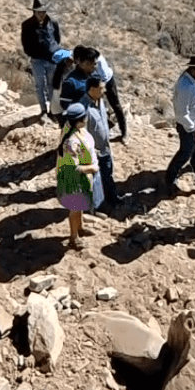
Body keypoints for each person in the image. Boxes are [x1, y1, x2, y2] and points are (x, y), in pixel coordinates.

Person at [163, 55, 195, 194]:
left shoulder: (192, 80)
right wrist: (192, 129)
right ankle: (170, 181)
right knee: (185, 154)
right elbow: (181, 114)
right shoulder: (185, 86)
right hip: (189, 127)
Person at [56, 103, 100, 250]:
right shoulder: (71, 141)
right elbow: (73, 167)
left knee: (79, 206)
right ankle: (73, 238)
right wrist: (92, 167)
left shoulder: (72, 128)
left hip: (81, 179)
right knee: (74, 209)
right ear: (80, 120)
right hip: (73, 180)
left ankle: (80, 228)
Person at [20, 0, 62, 118]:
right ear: (34, 12)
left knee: (51, 85)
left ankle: (53, 111)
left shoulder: (52, 22)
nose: (42, 14)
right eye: (39, 12)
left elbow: (57, 39)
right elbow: (25, 42)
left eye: (44, 12)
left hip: (51, 59)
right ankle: (43, 110)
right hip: (37, 59)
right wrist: (31, 53)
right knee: (39, 85)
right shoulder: (27, 25)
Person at [81, 76, 118, 208]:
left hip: (105, 148)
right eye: (101, 88)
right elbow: (81, 133)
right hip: (94, 153)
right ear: (92, 89)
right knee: (96, 181)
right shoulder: (84, 108)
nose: (105, 90)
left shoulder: (100, 101)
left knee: (108, 174)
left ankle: (113, 199)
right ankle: (98, 207)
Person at [90, 47, 128, 141]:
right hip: (94, 82)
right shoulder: (86, 59)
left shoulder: (100, 62)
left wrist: (98, 91)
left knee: (116, 105)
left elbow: (104, 78)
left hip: (107, 83)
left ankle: (124, 132)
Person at [59, 45, 96, 113]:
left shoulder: (92, 76)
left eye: (94, 63)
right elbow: (64, 104)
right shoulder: (70, 82)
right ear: (81, 63)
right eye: (90, 64)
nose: (93, 67)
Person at [49, 48, 73, 126]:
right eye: (70, 59)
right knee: (69, 131)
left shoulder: (58, 73)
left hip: (56, 110)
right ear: (66, 62)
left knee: (65, 130)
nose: (72, 60)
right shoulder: (65, 77)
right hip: (62, 110)